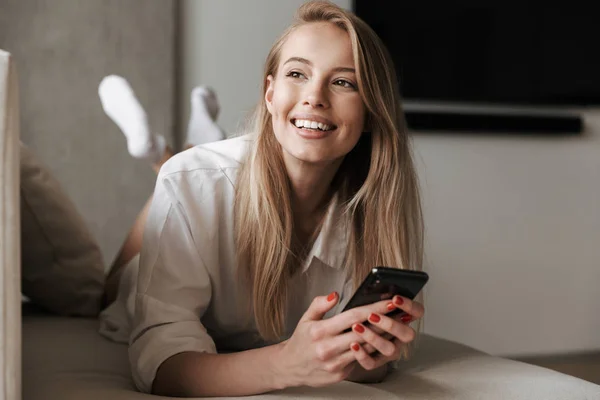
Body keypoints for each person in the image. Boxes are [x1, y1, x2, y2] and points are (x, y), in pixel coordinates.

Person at [113, 1, 425, 397]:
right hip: (155, 248)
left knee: (194, 179)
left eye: (344, 82)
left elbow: (352, 363)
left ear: (371, 113)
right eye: (297, 73)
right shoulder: (194, 184)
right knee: (104, 287)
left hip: (215, 181)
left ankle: (197, 141)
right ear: (270, 93)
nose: (315, 97)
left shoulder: (374, 210)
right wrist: (285, 364)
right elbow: (159, 365)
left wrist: (367, 357)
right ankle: (167, 158)